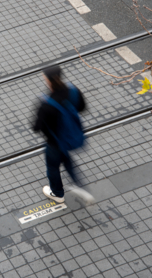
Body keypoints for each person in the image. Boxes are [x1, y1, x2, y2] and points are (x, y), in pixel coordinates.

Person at [32, 65, 93, 204]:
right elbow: (82, 108)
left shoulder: (46, 103)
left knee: (53, 166)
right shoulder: (73, 91)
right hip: (72, 137)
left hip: (55, 142)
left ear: (48, 81)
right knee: (66, 159)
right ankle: (80, 186)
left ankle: (57, 193)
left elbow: (36, 127)